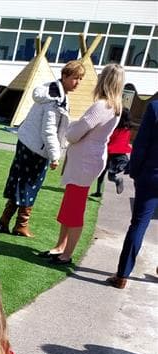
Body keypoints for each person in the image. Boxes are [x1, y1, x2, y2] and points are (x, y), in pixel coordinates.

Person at [41, 64, 125, 265]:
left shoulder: (102, 106)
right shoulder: (115, 107)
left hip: (85, 162)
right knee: (70, 206)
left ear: (104, 80)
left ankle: (66, 254)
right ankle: (60, 247)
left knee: (74, 208)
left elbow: (74, 133)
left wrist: (71, 128)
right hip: (89, 160)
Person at [0, 61, 83, 236]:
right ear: (64, 76)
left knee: (21, 182)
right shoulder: (54, 100)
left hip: (29, 143)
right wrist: (55, 155)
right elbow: (48, 129)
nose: (78, 82)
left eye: (80, 78)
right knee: (30, 184)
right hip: (35, 148)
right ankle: (19, 225)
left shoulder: (54, 92)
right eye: (75, 78)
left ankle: (5, 220)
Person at [106, 98, 158, 289]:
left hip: (151, 175)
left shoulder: (155, 107)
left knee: (138, 224)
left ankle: (122, 276)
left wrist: (134, 171)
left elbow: (141, 144)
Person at [93, 108, 132, 197]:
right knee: (111, 173)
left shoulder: (114, 128)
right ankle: (125, 167)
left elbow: (108, 139)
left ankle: (114, 181)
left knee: (103, 174)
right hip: (121, 154)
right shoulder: (127, 129)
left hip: (110, 153)